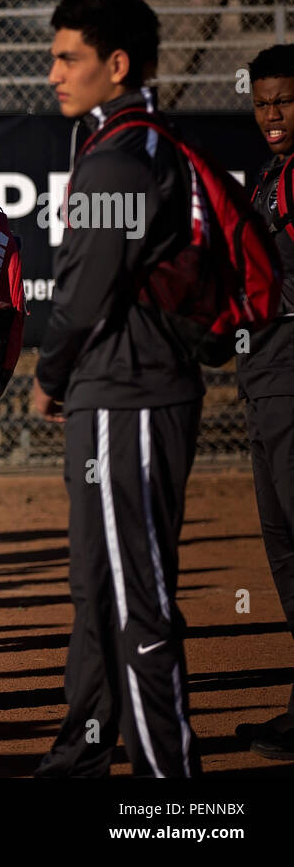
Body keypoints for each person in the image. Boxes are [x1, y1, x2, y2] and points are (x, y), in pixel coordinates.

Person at [31, 0, 202, 778]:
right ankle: (83, 752)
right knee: (98, 586)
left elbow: (83, 293)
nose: (55, 73)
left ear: (118, 64)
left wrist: (49, 371)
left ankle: (173, 791)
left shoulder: (121, 157)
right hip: (119, 390)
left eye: (70, 58)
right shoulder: (128, 144)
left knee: (137, 597)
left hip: (127, 393)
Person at [234, 43, 294, 762]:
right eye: (261, 102)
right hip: (266, 380)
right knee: (283, 548)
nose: (271, 115)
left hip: (288, 373)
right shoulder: (270, 177)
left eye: (284, 100)